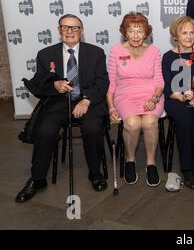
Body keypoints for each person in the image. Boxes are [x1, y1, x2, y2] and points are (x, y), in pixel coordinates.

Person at [15, 14, 109, 203]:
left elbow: (102, 82)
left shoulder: (96, 52)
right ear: (59, 30)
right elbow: (40, 84)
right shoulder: (45, 54)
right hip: (58, 102)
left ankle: (95, 173)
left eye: (75, 28)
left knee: (92, 128)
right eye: (65, 27)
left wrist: (86, 100)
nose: (70, 31)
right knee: (45, 131)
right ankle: (37, 178)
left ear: (81, 31)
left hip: (87, 101)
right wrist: (55, 85)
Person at [107, 12, 164, 186]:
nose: (136, 35)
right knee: (132, 124)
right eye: (131, 31)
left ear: (146, 33)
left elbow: (159, 81)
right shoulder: (116, 51)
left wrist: (154, 98)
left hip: (151, 94)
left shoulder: (154, 51)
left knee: (149, 123)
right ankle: (130, 159)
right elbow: (111, 84)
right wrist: (111, 107)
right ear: (125, 32)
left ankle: (150, 162)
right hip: (125, 94)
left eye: (140, 31)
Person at [162, 16, 194, 189]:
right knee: (184, 119)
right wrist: (181, 97)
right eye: (184, 32)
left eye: (192, 32)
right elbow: (167, 86)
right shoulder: (168, 57)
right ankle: (188, 169)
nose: (189, 36)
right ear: (175, 35)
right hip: (177, 99)